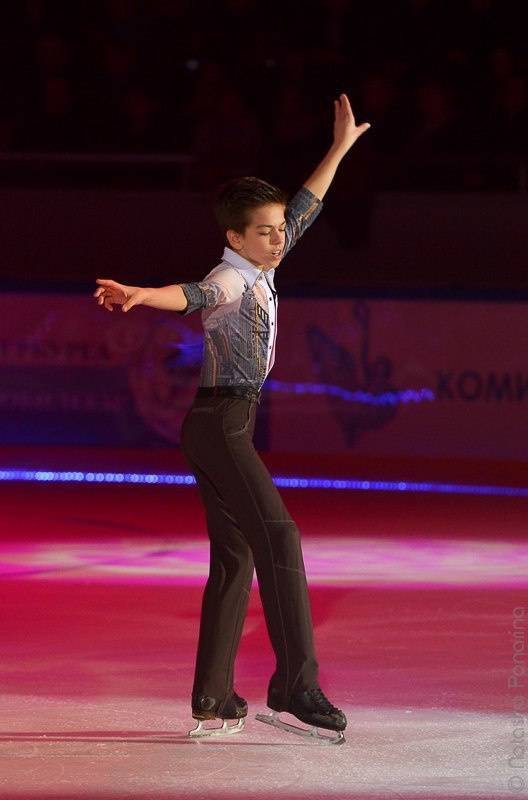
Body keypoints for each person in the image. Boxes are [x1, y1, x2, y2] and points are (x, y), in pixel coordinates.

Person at [94, 93, 370, 742]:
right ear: (235, 239)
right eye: (267, 231)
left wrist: (339, 147)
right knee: (281, 538)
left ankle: (213, 697)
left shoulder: (263, 258)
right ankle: (295, 683)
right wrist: (141, 294)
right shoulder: (233, 280)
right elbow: (191, 295)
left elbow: (305, 205)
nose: (280, 237)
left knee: (236, 557)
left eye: (279, 229)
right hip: (222, 425)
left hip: (215, 425)